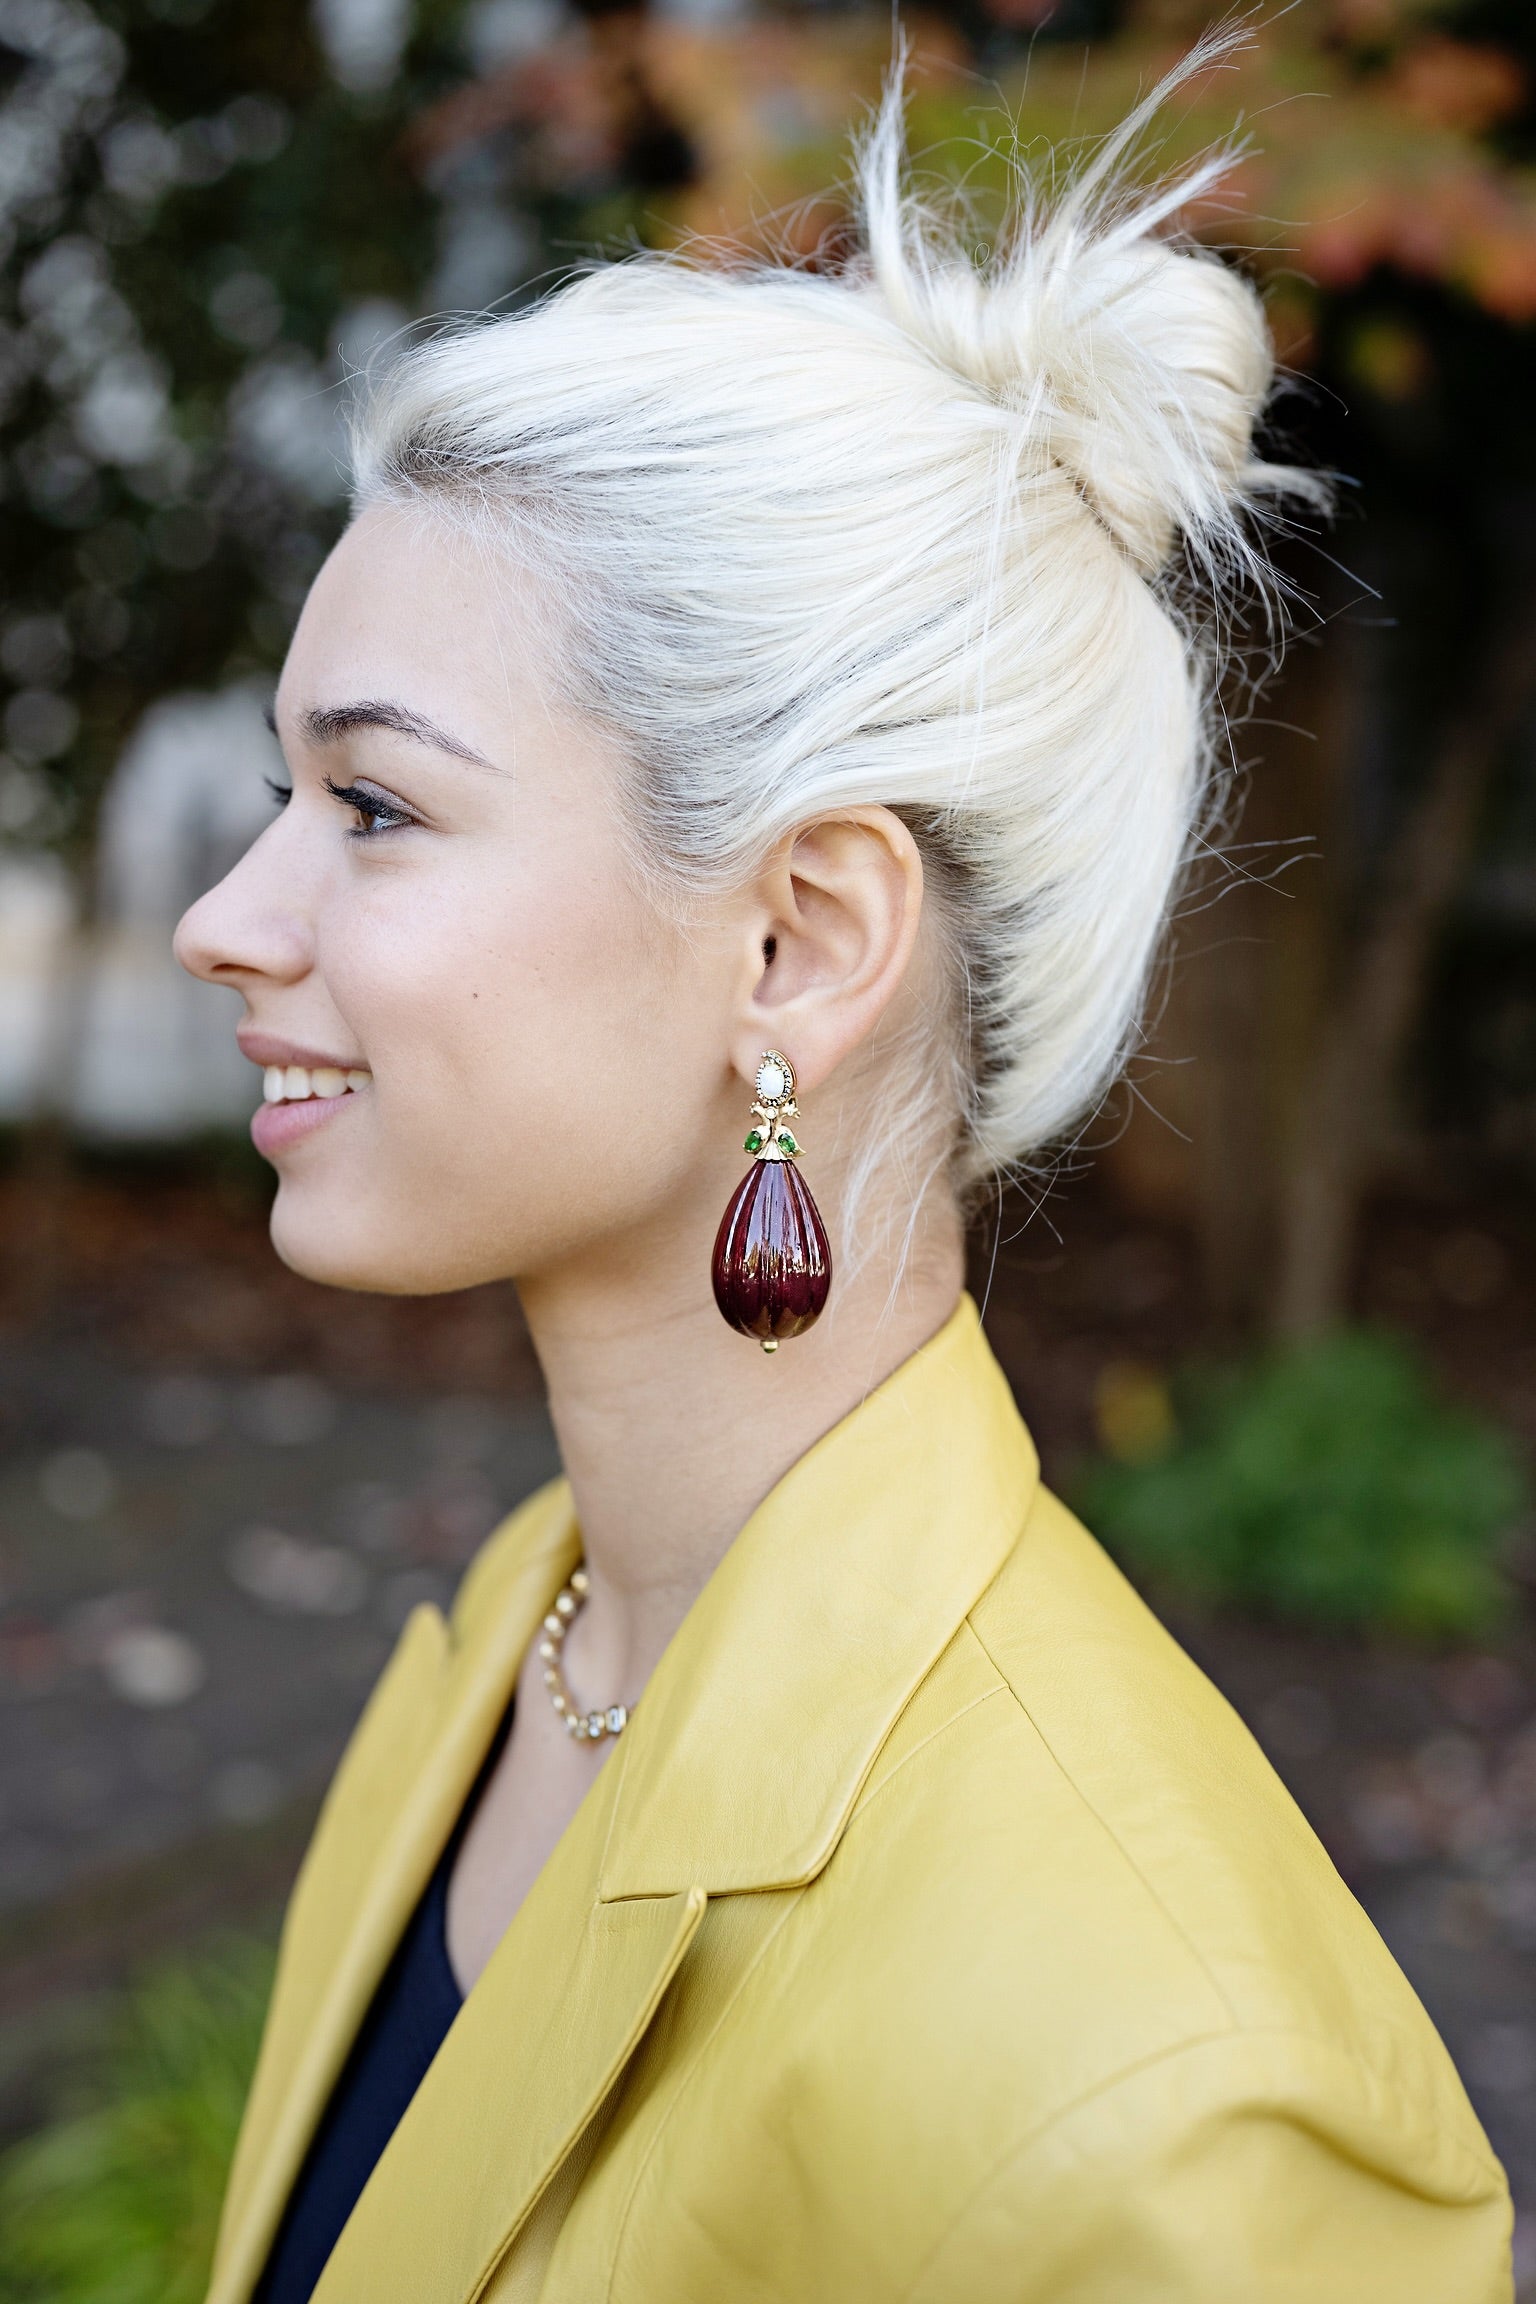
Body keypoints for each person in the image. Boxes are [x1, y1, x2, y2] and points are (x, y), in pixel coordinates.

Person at [176, 58, 1512, 2304]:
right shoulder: (537, 1623)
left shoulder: (1177, 2122)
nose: (235, 909)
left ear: (799, 940)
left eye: (375, 808)